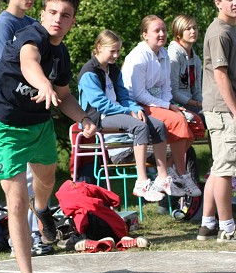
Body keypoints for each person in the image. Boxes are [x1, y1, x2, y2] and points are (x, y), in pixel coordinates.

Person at [0, 0, 97, 273]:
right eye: (53, 12)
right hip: (5, 128)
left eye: (66, 15)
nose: (58, 19)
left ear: (72, 21)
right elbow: (28, 62)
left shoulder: (61, 54)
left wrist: (84, 118)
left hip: (40, 127)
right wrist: (42, 83)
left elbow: (64, 95)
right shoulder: (30, 35)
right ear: (43, 13)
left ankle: (43, 209)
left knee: (47, 180)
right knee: (17, 201)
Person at [78, 29, 182, 201]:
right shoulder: (89, 72)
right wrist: (128, 111)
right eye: (112, 51)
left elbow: (124, 96)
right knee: (140, 126)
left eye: (118, 51)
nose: (116, 55)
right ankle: (141, 181)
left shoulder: (113, 69)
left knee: (158, 125)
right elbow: (100, 103)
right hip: (99, 117)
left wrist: (136, 108)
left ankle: (162, 177)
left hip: (118, 111)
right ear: (99, 47)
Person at [0, 0, 45, 254]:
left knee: (36, 178)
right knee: (17, 184)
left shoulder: (34, 24)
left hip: (33, 109)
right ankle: (19, 242)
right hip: (11, 112)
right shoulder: (3, 26)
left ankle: (35, 236)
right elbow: (6, 68)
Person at [122, 14, 201, 197]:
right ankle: (181, 174)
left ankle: (171, 168)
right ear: (144, 34)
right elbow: (140, 94)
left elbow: (166, 87)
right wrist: (169, 107)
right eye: (156, 31)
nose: (161, 34)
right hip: (138, 104)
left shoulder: (163, 54)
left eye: (164, 30)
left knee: (195, 122)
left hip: (160, 102)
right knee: (179, 121)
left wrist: (169, 104)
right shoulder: (139, 56)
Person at [197, 0, 236, 242]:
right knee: (226, 168)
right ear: (218, 3)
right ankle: (228, 227)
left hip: (224, 108)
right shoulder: (219, 32)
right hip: (223, 109)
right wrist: (235, 110)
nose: (235, 3)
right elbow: (221, 76)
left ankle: (207, 224)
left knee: (218, 165)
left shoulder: (231, 28)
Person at [168, 14, 203, 116]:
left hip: (191, 102)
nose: (193, 31)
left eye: (195, 28)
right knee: (205, 117)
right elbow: (173, 93)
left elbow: (197, 91)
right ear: (178, 33)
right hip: (175, 104)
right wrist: (197, 104)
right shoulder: (173, 54)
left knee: (213, 113)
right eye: (188, 29)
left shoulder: (196, 59)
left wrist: (204, 104)